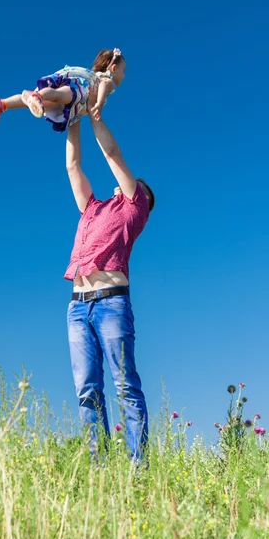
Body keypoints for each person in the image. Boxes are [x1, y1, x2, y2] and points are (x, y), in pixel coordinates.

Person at [64, 90, 155, 462]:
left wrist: (95, 114)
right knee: (87, 390)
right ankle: (98, 471)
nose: (127, 183)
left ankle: (139, 468)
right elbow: (73, 167)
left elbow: (112, 156)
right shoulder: (92, 209)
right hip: (76, 308)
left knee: (124, 386)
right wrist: (72, 118)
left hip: (111, 304)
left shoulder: (135, 209)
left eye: (137, 184)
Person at [0, 48, 124, 132]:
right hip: (81, 91)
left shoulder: (96, 76)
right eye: (123, 71)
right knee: (58, 95)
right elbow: (105, 85)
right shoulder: (107, 80)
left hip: (74, 89)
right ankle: (37, 96)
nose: (124, 76)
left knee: (44, 103)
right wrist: (99, 104)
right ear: (114, 68)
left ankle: (2, 104)